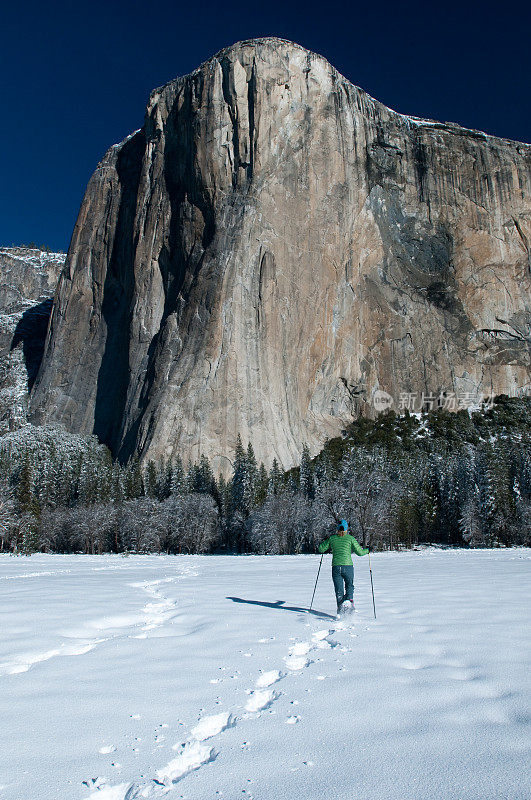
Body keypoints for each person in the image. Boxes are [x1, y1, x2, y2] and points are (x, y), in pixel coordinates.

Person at [318, 519, 369, 615]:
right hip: (348, 566)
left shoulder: (332, 538)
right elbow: (360, 553)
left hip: (336, 567)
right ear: (346, 529)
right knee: (349, 585)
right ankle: (349, 601)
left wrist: (323, 542)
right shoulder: (350, 539)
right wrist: (367, 550)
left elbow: (321, 549)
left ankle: (340, 610)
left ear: (337, 528)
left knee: (339, 590)